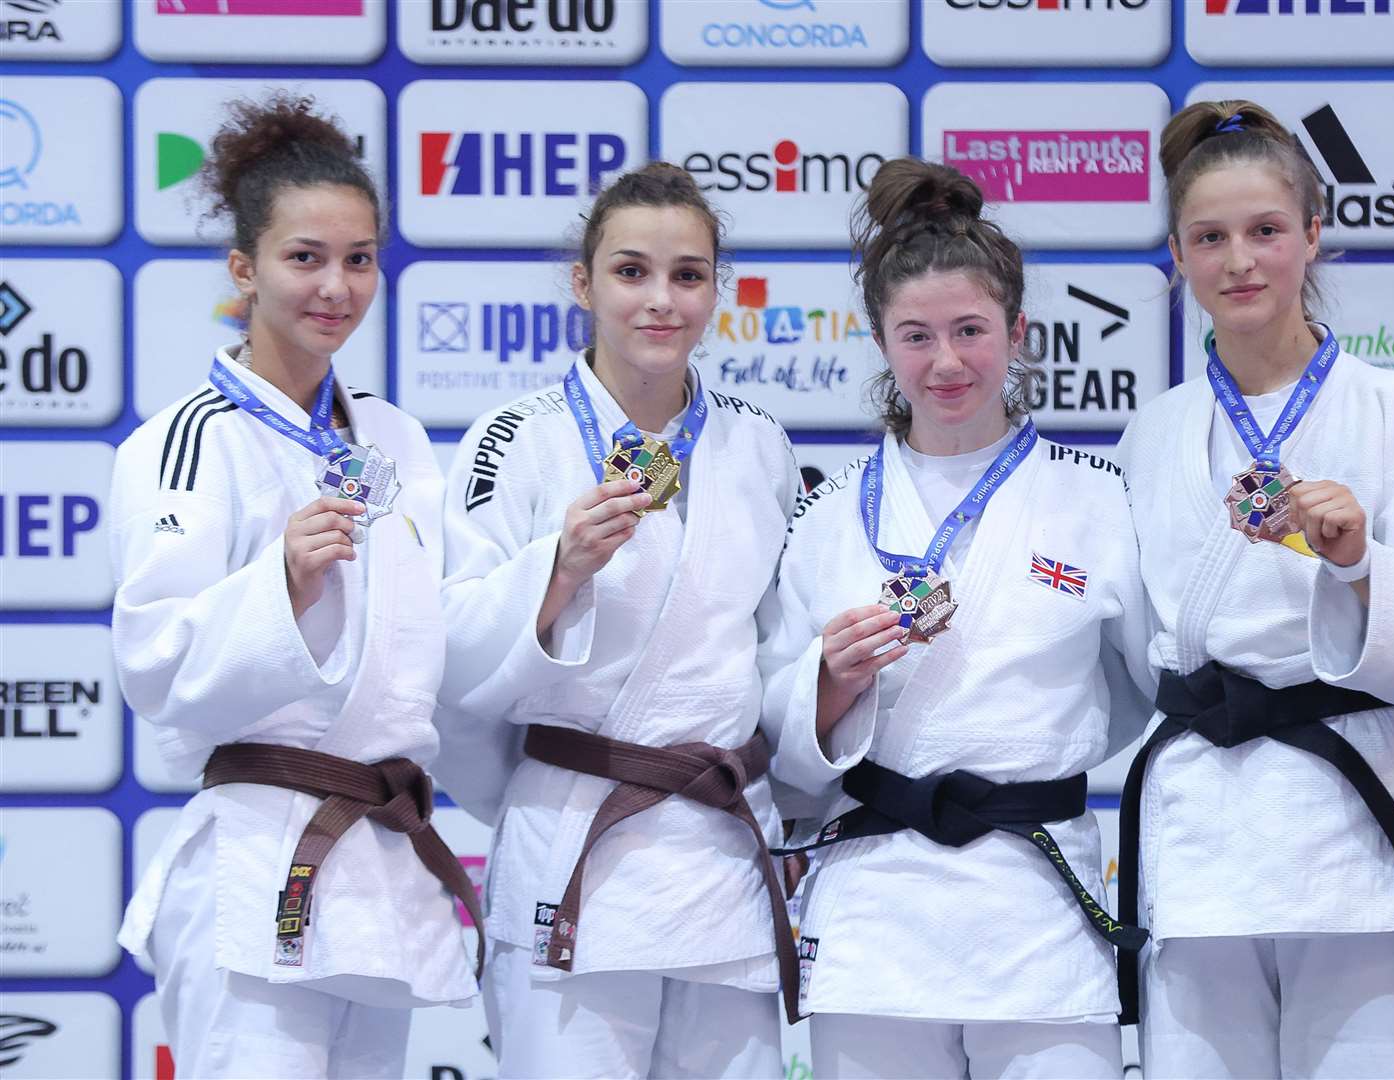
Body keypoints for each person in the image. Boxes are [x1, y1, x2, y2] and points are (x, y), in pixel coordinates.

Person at [1113, 100, 1394, 1080]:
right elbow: (1134, 653)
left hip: (1353, 834)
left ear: (1314, 236)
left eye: (1266, 231)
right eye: (1210, 237)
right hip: (1203, 835)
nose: (1240, 261)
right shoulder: (1153, 437)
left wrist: (1361, 561)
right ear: (1176, 253)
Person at [758, 158, 1156, 1080]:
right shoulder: (827, 513)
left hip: (1040, 901)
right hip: (875, 909)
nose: (946, 363)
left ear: (1018, 332)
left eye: (971, 330)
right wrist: (829, 684)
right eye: (917, 335)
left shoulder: (1096, 499)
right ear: (881, 342)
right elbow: (775, 727)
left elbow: (1146, 687)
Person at [112, 94, 479, 1079]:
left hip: (377, 869)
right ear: (245, 270)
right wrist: (279, 577)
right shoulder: (189, 440)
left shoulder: (394, 440)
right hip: (254, 861)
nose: (337, 286)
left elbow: (428, 641)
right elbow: (155, 660)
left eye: (359, 258)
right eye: (304, 257)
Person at [432, 161, 802, 1080]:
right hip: (575, 844)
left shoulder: (759, 444)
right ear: (583, 282)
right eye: (631, 272)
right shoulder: (512, 439)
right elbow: (450, 651)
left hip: (720, 852)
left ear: (718, 288)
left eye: (688, 275)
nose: (661, 301)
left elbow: (785, 646)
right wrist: (556, 575)